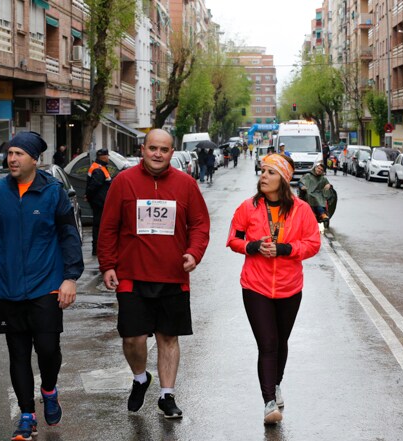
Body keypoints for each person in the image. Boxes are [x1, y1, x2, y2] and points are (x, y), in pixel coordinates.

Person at [0, 131, 84, 441]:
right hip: (6, 289)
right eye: (9, 153)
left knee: (48, 350)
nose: (11, 159)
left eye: (18, 154)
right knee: (17, 353)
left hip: (46, 287)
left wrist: (70, 277)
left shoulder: (53, 192)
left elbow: (70, 237)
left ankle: (49, 390)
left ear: (34, 159)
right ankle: (27, 416)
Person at [97, 129, 210, 419]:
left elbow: (199, 224)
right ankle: (140, 378)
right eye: (153, 148)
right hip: (132, 276)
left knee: (168, 338)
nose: (158, 154)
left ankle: (166, 395)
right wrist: (108, 264)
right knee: (132, 339)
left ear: (172, 153)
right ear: (142, 150)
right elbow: (108, 227)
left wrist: (194, 253)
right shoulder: (123, 182)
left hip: (173, 276)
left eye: (164, 149)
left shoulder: (186, 184)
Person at [226, 153, 321, 425]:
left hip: (290, 288)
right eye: (263, 171)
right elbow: (233, 239)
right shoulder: (249, 207)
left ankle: (276, 383)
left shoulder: (301, 210)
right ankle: (269, 402)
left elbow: (313, 244)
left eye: (270, 172)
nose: (263, 176)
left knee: (281, 342)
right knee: (267, 343)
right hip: (255, 285)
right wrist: (252, 247)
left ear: (284, 180)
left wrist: (286, 249)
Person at [86, 148, 112, 256]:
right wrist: (89, 196)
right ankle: (96, 248)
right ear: (104, 157)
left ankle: (97, 248)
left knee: (98, 225)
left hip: (99, 201)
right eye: (107, 156)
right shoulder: (99, 169)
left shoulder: (99, 167)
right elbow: (94, 186)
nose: (108, 158)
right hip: (99, 202)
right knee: (99, 225)